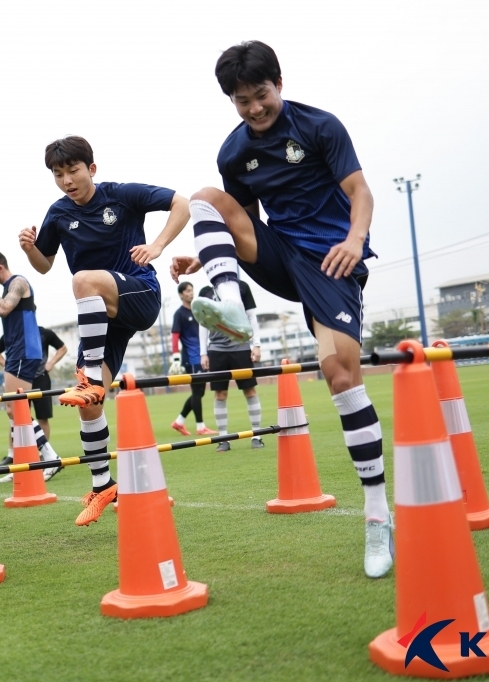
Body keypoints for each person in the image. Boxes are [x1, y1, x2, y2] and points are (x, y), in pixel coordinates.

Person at [169, 41, 392, 578]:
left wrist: (356, 239)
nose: (253, 109)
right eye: (241, 100)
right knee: (204, 196)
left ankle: (376, 514)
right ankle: (231, 307)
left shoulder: (320, 127)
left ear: (280, 83)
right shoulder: (233, 152)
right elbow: (237, 221)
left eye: (260, 95)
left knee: (338, 371)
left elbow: (360, 190)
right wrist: (205, 261)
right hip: (277, 254)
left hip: (331, 262)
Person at [21, 136, 189, 526]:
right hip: (105, 317)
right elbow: (44, 265)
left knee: (83, 280)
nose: (66, 180)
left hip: (140, 294)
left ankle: (91, 375)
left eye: (73, 171)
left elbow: (183, 202)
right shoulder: (58, 213)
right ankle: (103, 487)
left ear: (91, 169)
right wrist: (30, 247)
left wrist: (159, 245)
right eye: (58, 174)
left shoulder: (122, 195)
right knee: (89, 404)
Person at [0, 249, 62, 483]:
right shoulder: (7, 287)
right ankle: (21, 464)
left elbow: (2, 308)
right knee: (13, 410)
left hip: (25, 352)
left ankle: (49, 457)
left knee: (17, 409)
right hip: (17, 352)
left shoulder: (19, 282)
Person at [197, 280, 263, 449]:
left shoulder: (241, 287)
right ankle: (223, 439)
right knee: (220, 394)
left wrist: (256, 345)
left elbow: (251, 316)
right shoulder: (206, 291)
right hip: (217, 350)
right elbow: (203, 324)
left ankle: (256, 436)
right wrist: (203, 353)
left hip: (241, 347)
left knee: (250, 391)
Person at [0, 325, 66, 445]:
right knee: (16, 417)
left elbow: (62, 348)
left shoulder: (45, 333)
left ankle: (44, 454)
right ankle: (13, 453)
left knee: (43, 417)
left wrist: (51, 363)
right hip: (19, 378)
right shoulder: (10, 333)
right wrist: (8, 367)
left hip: (40, 378)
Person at [168, 281, 218, 437]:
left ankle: (179, 422)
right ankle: (200, 427)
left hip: (201, 356)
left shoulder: (198, 311)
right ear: (181, 294)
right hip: (191, 358)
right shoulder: (179, 314)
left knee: (199, 392)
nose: (191, 293)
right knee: (197, 392)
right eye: (188, 291)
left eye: (192, 290)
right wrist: (175, 358)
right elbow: (175, 336)